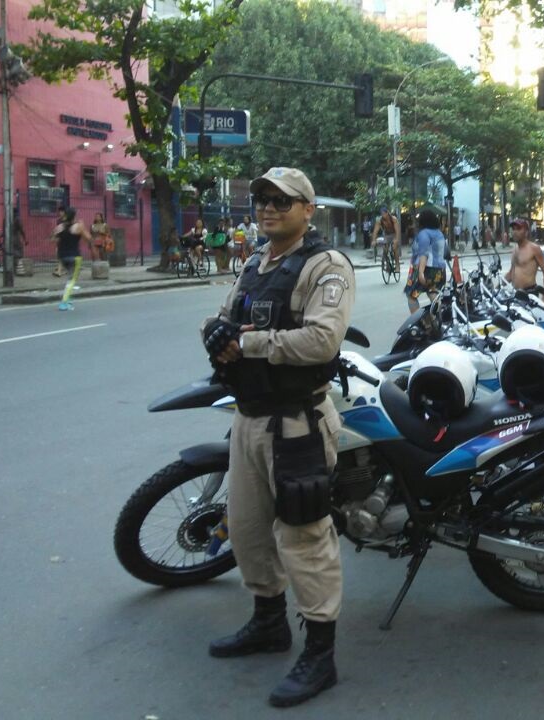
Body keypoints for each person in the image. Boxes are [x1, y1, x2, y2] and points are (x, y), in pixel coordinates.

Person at [201, 168, 354, 708]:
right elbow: (227, 319)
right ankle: (269, 623)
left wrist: (248, 344)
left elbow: (321, 340)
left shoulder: (325, 265)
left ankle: (321, 653)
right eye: (262, 200)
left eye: (281, 201)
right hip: (248, 418)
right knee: (245, 532)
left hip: (297, 425)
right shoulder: (254, 263)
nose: (268, 209)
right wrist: (215, 332)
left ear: (307, 208)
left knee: (305, 540)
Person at [407, 209, 449, 312]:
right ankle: (439, 318)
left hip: (425, 269)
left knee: (412, 295)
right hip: (439, 270)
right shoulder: (440, 234)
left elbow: (424, 254)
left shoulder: (423, 234)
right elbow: (445, 252)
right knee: (432, 293)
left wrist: (421, 272)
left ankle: (419, 322)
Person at [504, 217, 544, 296]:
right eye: (513, 229)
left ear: (526, 232)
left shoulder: (534, 248)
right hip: (516, 293)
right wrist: (496, 288)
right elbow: (511, 273)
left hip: (530, 293)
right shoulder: (514, 250)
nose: (515, 232)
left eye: (518, 229)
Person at [49, 207, 90, 278]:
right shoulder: (78, 226)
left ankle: (68, 283)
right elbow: (89, 238)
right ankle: (69, 288)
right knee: (72, 281)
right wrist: (83, 227)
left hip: (63, 257)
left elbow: (52, 239)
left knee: (71, 279)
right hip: (75, 257)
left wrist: (61, 238)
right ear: (74, 216)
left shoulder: (60, 226)